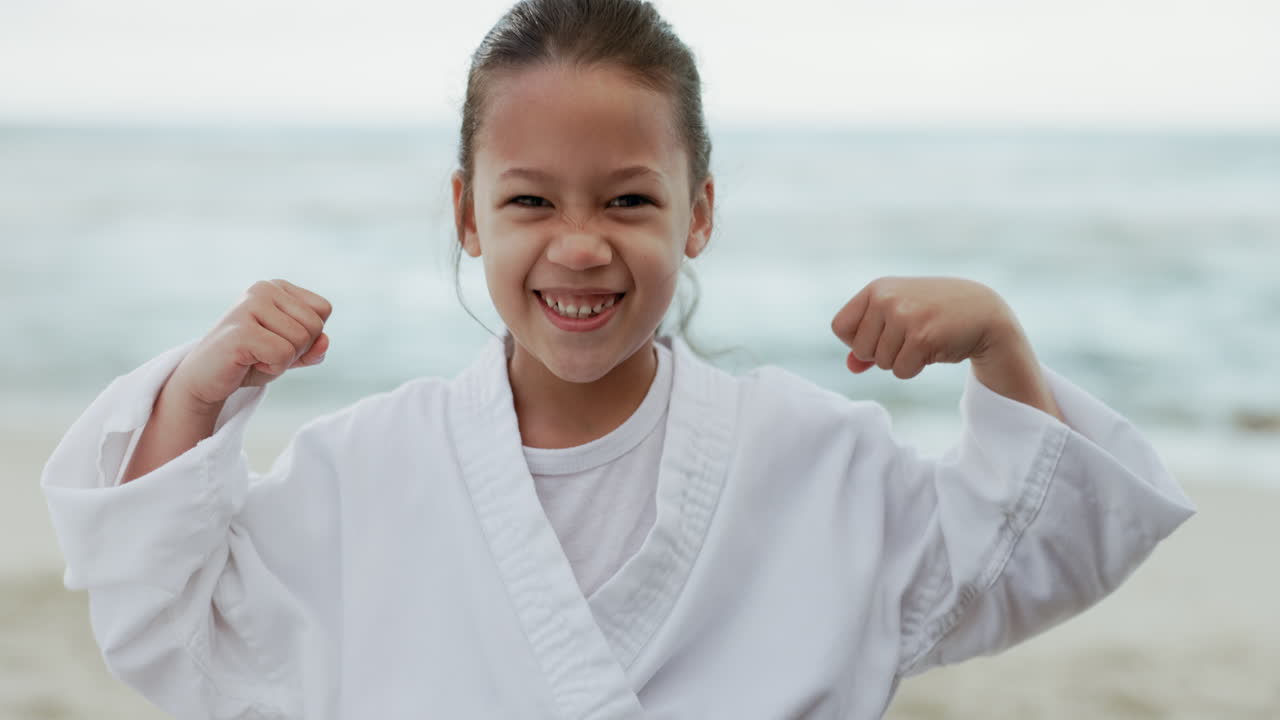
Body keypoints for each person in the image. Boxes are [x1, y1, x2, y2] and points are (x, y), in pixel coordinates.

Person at [40, 1, 1196, 718]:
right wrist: (199, 387)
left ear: (697, 214)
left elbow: (1027, 558)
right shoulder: (362, 472)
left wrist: (995, 339)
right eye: (529, 199)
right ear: (466, 212)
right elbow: (168, 623)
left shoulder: (809, 459)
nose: (580, 244)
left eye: (630, 199)